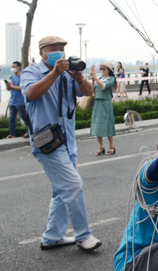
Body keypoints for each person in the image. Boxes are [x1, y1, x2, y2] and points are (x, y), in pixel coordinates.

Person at [22, 35, 101, 252]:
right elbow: (31, 94)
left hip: (67, 140)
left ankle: (52, 237)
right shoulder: (32, 72)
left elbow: (88, 93)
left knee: (61, 190)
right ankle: (84, 235)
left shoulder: (68, 75)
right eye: (53, 49)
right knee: (73, 186)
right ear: (42, 53)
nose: (58, 52)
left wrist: (79, 78)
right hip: (47, 141)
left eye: (61, 49)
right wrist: (55, 72)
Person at [90, 62, 117, 155]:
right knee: (97, 125)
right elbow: (93, 89)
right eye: (101, 69)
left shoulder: (111, 79)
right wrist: (93, 79)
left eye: (104, 69)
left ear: (109, 70)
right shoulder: (100, 78)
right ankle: (101, 147)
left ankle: (111, 146)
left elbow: (103, 86)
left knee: (108, 124)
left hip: (105, 102)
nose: (102, 71)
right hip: (97, 102)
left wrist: (95, 77)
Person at [6, 61, 30, 139]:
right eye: (12, 66)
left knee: (24, 117)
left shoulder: (22, 77)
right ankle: (12, 134)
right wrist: (8, 86)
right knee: (11, 118)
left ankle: (30, 131)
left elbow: (22, 88)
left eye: (14, 66)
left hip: (20, 102)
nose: (12, 68)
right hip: (12, 101)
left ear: (18, 67)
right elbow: (8, 89)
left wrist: (12, 86)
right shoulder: (11, 77)